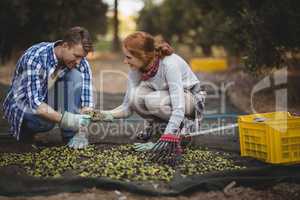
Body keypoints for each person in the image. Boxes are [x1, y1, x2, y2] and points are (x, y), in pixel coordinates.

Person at [100, 32, 206, 151]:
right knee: (135, 97)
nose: (125, 61)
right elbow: (127, 107)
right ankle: (159, 129)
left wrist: (165, 141)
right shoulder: (136, 69)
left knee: (152, 101)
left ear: (144, 55)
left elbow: (178, 108)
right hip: (163, 96)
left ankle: (184, 132)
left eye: (128, 57)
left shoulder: (168, 65)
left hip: (190, 99)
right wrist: (103, 115)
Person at [3, 26, 94, 149]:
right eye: (76, 56)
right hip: (23, 104)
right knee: (45, 123)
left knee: (75, 75)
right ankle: (25, 134)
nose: (79, 61)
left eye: (82, 57)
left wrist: (81, 131)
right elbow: (35, 104)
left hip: (45, 97)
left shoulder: (80, 62)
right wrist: (70, 120)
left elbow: (87, 103)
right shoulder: (36, 58)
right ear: (65, 46)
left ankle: (70, 135)